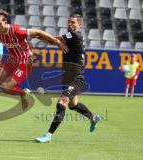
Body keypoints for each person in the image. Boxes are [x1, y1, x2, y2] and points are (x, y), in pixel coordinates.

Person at [0, 9, 68, 126]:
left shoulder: (16, 30)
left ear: (5, 22)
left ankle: (23, 94)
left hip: (25, 62)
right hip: (11, 61)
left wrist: (56, 41)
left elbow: (38, 32)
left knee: (5, 87)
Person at [35, 14, 101, 143]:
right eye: (68, 22)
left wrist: (40, 35)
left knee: (62, 102)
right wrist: (44, 37)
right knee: (73, 105)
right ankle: (93, 118)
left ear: (79, 25)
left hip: (76, 78)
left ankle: (48, 135)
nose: (70, 24)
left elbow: (55, 40)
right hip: (67, 77)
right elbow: (55, 41)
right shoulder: (71, 38)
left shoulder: (75, 35)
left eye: (73, 22)